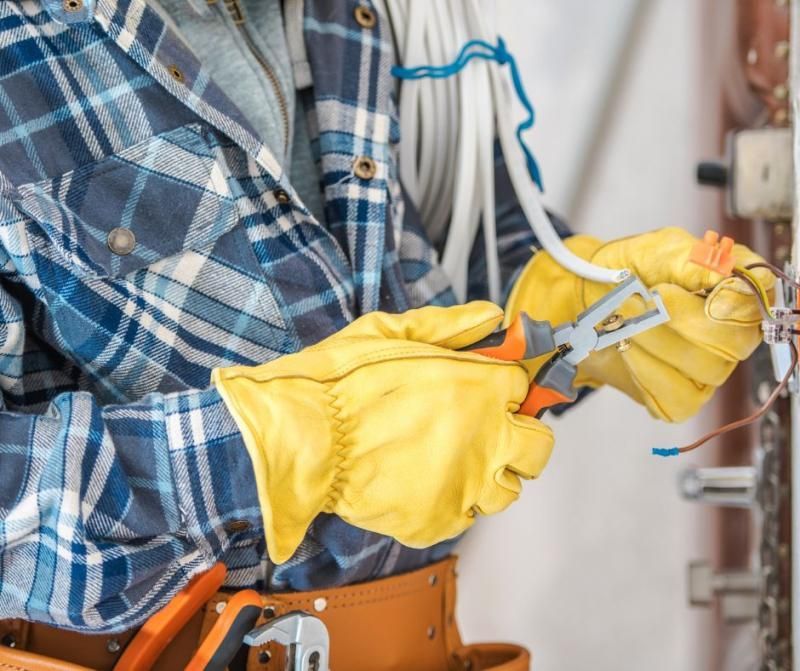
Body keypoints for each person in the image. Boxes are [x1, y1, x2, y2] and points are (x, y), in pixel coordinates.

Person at [0, 1, 771, 669]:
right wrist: (278, 453)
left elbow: (454, 233)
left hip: (416, 640)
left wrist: (569, 315)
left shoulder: (367, 12)